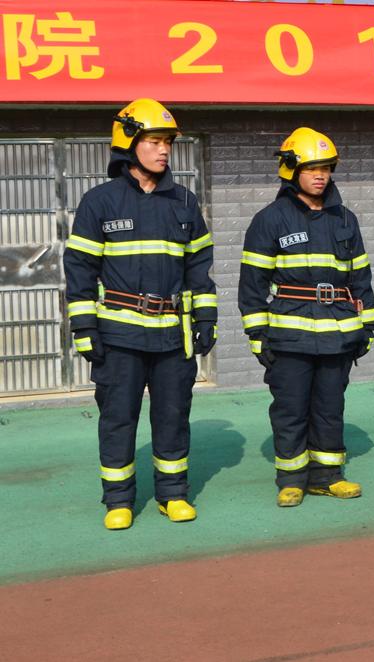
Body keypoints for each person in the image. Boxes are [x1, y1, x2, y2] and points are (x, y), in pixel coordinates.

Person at [63, 98, 217, 531]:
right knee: (118, 419)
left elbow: (199, 268)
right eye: (154, 141)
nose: (164, 149)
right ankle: (118, 500)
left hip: (172, 334)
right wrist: (84, 326)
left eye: (168, 141)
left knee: (173, 417)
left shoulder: (184, 201)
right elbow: (80, 268)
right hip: (119, 335)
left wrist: (206, 318)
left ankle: (173, 495)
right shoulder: (99, 202)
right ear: (129, 144)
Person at [238, 127, 374, 508]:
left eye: (326, 168)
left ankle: (328, 477)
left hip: (337, 333)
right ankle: (291, 480)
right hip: (288, 336)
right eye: (312, 168)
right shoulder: (269, 220)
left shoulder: (345, 219)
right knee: (291, 410)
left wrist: (368, 325)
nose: (321, 176)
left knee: (330, 408)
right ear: (291, 170)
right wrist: (257, 335)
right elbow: (252, 285)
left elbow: (361, 277)